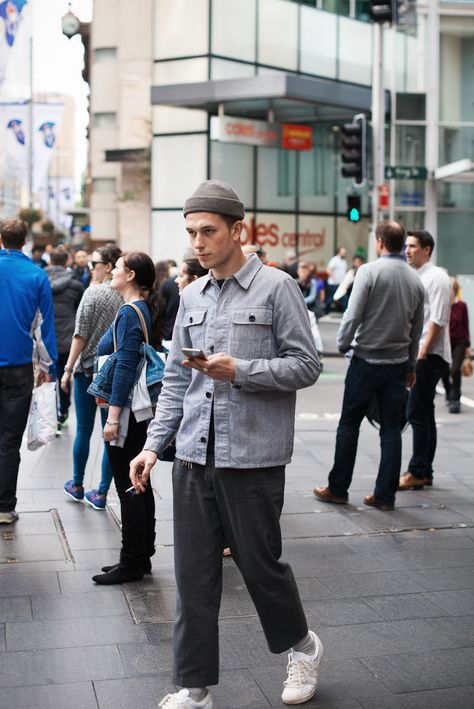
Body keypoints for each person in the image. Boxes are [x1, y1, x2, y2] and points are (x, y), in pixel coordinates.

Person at [129, 180, 322, 709]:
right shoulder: (190, 294)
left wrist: (242, 371)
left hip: (253, 457)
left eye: (207, 231)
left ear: (239, 230)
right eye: (191, 232)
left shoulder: (277, 288)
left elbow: (307, 365)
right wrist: (151, 446)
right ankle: (194, 687)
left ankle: (303, 647)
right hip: (192, 456)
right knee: (193, 578)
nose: (197, 242)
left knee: (261, 568)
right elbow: (174, 382)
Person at [314, 221, 425, 511]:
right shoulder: (415, 280)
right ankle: (385, 495)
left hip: (365, 361)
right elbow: (416, 330)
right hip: (398, 364)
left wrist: (342, 344)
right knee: (391, 429)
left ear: (380, 242)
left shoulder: (369, 272)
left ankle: (338, 488)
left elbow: (353, 315)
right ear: (401, 244)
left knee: (349, 424)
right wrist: (412, 365)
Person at [91, 252, 165, 585]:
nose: (111, 273)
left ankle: (132, 561)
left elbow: (124, 366)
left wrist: (113, 417)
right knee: (138, 484)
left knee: (129, 486)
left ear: (131, 275)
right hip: (137, 410)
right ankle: (140, 555)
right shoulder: (141, 309)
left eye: (117, 268)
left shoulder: (128, 312)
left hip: (126, 411)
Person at [0, 219, 58, 524]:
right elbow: (44, 328)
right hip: (19, 366)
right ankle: (4, 507)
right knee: (9, 440)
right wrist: (48, 368)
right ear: (24, 241)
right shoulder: (37, 275)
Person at [61, 246, 123, 510]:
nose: (90, 268)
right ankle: (101, 492)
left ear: (108, 266)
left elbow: (80, 335)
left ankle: (77, 484)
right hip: (113, 372)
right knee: (110, 432)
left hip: (87, 371)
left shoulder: (92, 293)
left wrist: (67, 368)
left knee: (83, 430)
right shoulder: (126, 296)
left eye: (93, 263)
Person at [398, 230, 452, 491]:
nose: (407, 250)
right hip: (421, 354)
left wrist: (419, 356)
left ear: (427, 249)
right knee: (425, 413)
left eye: (413, 246)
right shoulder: (417, 275)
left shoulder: (437, 277)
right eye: (406, 246)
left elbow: (437, 321)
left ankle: (417, 471)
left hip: (429, 355)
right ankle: (425, 470)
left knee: (416, 412)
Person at [45, 246, 84, 428]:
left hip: (46, 338)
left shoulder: (40, 280)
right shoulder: (75, 285)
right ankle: (64, 411)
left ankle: (49, 412)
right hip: (68, 337)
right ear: (67, 261)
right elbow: (79, 309)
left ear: (51, 261)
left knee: (47, 377)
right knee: (64, 375)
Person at [441, 278, 470, 414]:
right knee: (444, 371)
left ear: (455, 289)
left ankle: (455, 399)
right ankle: (449, 392)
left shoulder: (462, 305)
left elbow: (466, 326)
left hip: (459, 343)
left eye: (451, 287)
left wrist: (468, 346)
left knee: (455, 370)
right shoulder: (442, 304)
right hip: (445, 342)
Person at [325, 246, 347, 313]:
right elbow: (328, 270)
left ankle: (345, 313)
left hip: (340, 284)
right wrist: (333, 277)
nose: (344, 253)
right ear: (339, 252)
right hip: (333, 284)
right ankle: (326, 312)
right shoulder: (334, 260)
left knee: (343, 299)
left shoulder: (344, 261)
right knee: (330, 299)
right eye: (343, 252)